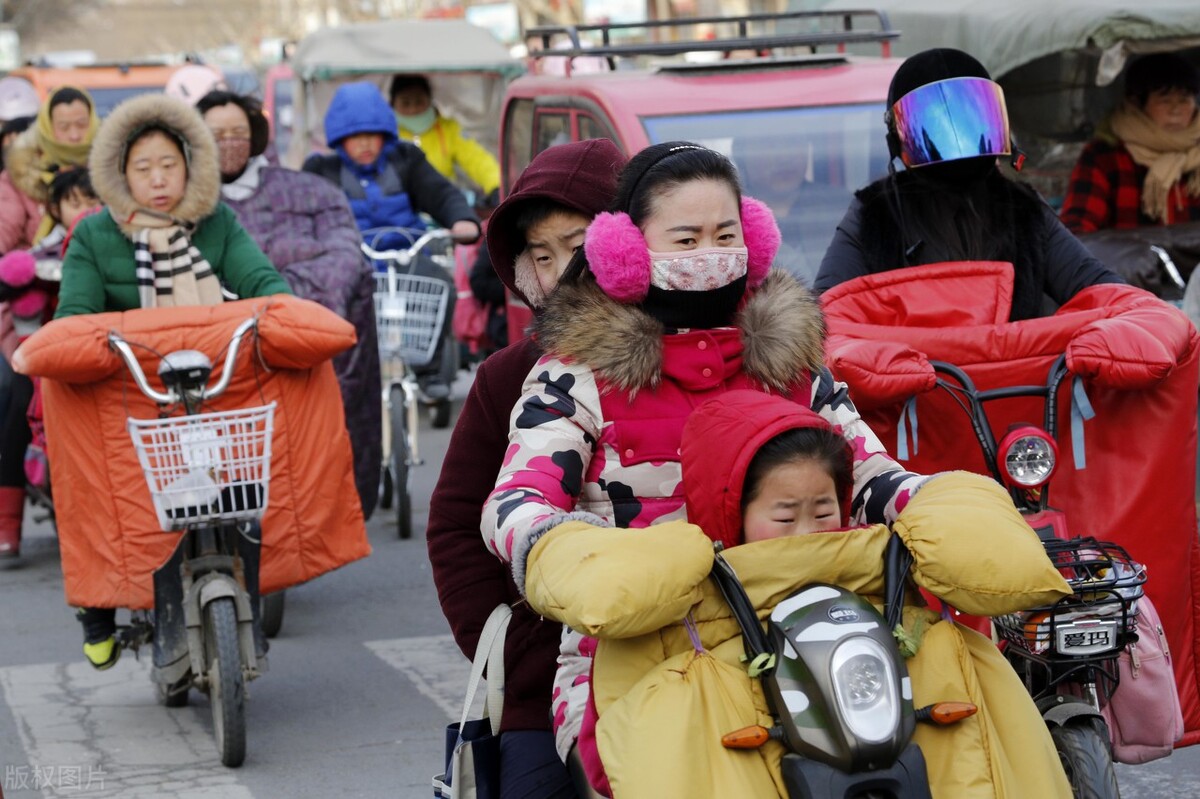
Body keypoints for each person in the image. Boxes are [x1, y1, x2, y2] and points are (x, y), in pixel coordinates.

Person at [480, 141, 928, 791]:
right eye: (686, 238)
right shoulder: (574, 373)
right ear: (625, 253)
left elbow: (870, 471)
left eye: (724, 234)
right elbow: (516, 502)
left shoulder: (792, 363)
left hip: (813, 640)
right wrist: (572, 556)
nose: (708, 254)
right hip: (642, 652)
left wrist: (939, 506)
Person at [55, 92, 292, 667]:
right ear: (119, 173)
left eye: (169, 164)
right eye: (143, 168)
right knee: (87, 473)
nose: (158, 179)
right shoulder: (94, 236)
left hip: (210, 386)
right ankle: (98, 608)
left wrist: (285, 309)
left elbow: (260, 279)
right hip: (127, 394)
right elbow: (74, 315)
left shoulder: (217, 222)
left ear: (192, 166)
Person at [427, 138, 626, 799]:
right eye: (543, 255)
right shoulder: (508, 377)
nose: (563, 269)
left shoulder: (698, 352)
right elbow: (456, 524)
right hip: (543, 687)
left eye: (578, 242)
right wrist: (517, 657)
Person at [814, 48, 1123, 321]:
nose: (955, 139)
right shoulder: (875, 213)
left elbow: (1100, 289)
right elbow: (826, 315)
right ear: (897, 137)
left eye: (969, 117)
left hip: (1021, 384)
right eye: (935, 124)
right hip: (916, 385)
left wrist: (1145, 316)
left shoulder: (1022, 207)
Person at [196, 89, 382, 517]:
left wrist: (299, 308)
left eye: (238, 133)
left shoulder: (310, 192)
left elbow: (343, 253)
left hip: (310, 327)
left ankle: (337, 507)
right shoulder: (188, 204)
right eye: (217, 134)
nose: (229, 143)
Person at [303, 81, 480, 400]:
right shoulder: (322, 170)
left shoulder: (405, 159)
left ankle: (430, 370)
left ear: (385, 133)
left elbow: (440, 193)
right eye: (356, 137)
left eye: (373, 135)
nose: (365, 144)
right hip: (352, 258)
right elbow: (304, 211)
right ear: (340, 140)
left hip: (406, 252)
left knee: (438, 284)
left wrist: (461, 220)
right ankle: (341, 373)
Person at [0, 168, 100, 558]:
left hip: (102, 350)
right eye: (74, 201)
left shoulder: (118, 244)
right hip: (49, 358)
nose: (85, 209)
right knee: (18, 408)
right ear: (55, 208)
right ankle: (8, 524)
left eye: (93, 200)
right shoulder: (41, 252)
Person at [1060, 52, 1200, 234]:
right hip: (1126, 262)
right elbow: (1077, 227)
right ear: (1136, 103)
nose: (1176, 110)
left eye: (1184, 100)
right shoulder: (1104, 157)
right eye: (1165, 100)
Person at [0, 85, 99, 254]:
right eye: (64, 127)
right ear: (47, 127)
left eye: (82, 125)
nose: (74, 135)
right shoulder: (21, 171)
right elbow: (6, 225)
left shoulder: (110, 167)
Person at [389, 73, 501, 200]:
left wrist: (495, 185)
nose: (413, 109)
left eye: (419, 101)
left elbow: (476, 158)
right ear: (392, 104)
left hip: (443, 203)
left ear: (430, 101)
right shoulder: (387, 133)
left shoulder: (448, 129)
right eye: (405, 103)